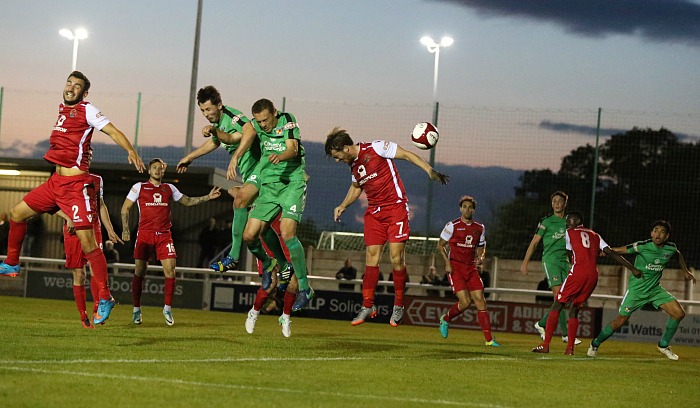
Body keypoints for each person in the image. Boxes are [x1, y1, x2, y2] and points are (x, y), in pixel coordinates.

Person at [0, 71, 145, 327]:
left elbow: (112, 131)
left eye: (77, 86)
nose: (71, 88)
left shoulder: (88, 110)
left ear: (84, 93)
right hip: (55, 183)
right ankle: (12, 263)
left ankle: (105, 297)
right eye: (69, 83)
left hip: (76, 186)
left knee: (89, 244)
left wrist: (130, 150)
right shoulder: (61, 109)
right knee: (16, 214)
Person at [325, 127, 449, 327]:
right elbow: (356, 188)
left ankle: (398, 304)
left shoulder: (376, 148)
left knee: (396, 258)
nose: (338, 160)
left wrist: (429, 171)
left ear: (346, 148)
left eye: (337, 156)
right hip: (374, 213)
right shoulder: (355, 166)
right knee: (371, 258)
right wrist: (342, 205)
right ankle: (368, 305)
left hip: (395, 209)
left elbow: (407, 155)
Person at [176, 86, 286, 284]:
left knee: (240, 199)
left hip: (263, 170)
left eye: (208, 109)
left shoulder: (232, 116)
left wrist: (235, 156)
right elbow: (219, 140)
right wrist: (189, 157)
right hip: (251, 176)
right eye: (202, 111)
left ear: (219, 105)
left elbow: (249, 130)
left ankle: (233, 257)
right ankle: (274, 264)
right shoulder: (219, 124)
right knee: (254, 233)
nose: (206, 114)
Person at [121, 158, 221, 326]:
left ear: (163, 171)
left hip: (164, 236)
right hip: (145, 235)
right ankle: (136, 310)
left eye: (160, 168)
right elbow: (125, 208)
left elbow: (187, 201)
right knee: (140, 272)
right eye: (154, 168)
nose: (157, 170)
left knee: (171, 272)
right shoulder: (139, 187)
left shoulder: (169, 188)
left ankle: (167, 308)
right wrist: (125, 229)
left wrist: (208, 197)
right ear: (149, 171)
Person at [238, 98, 314, 313]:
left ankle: (305, 288)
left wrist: (279, 157)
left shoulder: (288, 119)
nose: (263, 125)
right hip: (269, 187)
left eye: (265, 119)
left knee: (287, 232)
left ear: (274, 112)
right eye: (258, 121)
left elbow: (293, 149)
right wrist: (234, 152)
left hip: (292, 183)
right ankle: (272, 264)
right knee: (250, 235)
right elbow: (236, 134)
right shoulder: (256, 125)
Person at [532, 211, 642, 355]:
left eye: (570, 220)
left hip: (578, 272)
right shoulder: (595, 235)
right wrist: (632, 268)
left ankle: (545, 345)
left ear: (578, 221)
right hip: (593, 276)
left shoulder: (569, 232)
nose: (567, 223)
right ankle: (569, 349)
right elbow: (611, 253)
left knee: (558, 304)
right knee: (574, 309)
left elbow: (569, 253)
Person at [587, 220, 696, 360]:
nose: (658, 234)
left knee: (679, 313)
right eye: (655, 230)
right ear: (651, 233)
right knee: (620, 321)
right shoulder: (642, 246)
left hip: (655, 290)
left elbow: (677, 254)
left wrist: (685, 271)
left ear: (667, 236)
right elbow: (621, 250)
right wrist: (605, 251)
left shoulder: (670, 248)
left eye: (662, 232)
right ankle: (595, 344)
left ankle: (663, 345)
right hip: (636, 291)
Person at [55, 171, 122, 329]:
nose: (88, 154)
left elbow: (101, 205)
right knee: (79, 274)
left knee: (95, 268)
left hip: (93, 228)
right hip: (73, 230)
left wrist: (109, 229)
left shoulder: (97, 179)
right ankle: (83, 315)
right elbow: (53, 204)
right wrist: (68, 218)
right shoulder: (64, 178)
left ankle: (98, 308)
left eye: (89, 152)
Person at [437, 196, 501, 346]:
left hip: (471, 268)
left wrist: (481, 256)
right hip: (456, 267)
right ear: (460, 209)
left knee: (480, 299)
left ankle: (489, 340)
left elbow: (481, 246)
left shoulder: (479, 228)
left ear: (473, 210)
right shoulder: (452, 226)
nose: (467, 209)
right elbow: (440, 245)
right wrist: (447, 263)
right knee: (465, 302)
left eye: (470, 207)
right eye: (464, 206)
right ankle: (446, 319)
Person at [520, 191, 580, 345]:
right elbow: (534, 243)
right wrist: (525, 263)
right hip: (551, 261)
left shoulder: (570, 222)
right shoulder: (546, 222)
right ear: (551, 204)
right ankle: (566, 335)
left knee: (565, 298)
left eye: (560, 201)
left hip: (565, 262)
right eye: (554, 201)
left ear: (565, 203)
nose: (557, 203)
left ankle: (541, 324)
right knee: (560, 296)